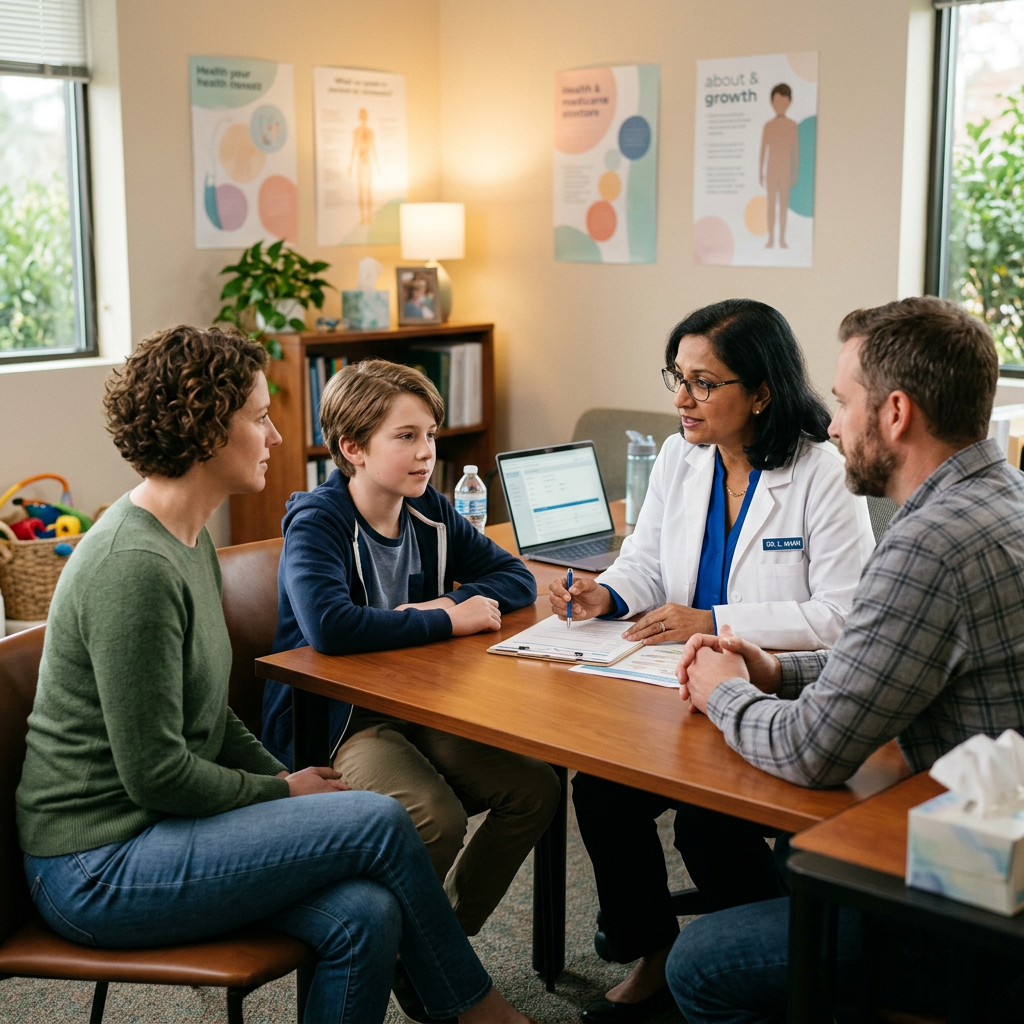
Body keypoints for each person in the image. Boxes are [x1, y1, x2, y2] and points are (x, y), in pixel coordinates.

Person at [15, 325, 530, 1024]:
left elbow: (207, 715)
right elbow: (156, 774)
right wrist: (279, 788)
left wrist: (284, 789)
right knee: (380, 821)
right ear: (204, 431)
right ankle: (477, 1010)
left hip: (161, 831)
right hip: (99, 863)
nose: (277, 437)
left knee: (368, 912)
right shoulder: (131, 567)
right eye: (259, 418)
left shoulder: (186, 541)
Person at [668, 296, 1024, 1023]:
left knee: (699, 962)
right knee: (773, 858)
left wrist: (725, 690)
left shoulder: (928, 545)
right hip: (996, 859)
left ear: (894, 413)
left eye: (842, 402)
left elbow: (812, 753)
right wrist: (773, 670)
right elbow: (891, 663)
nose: (830, 424)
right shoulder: (1003, 497)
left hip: (970, 919)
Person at [551, 298, 875, 1023]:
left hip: (777, 693)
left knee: (708, 822)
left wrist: (717, 622)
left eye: (704, 383)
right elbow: (646, 560)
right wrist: (606, 594)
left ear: (760, 392)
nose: (681, 399)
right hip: (675, 685)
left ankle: (774, 968)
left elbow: (845, 613)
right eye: (678, 376)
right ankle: (655, 950)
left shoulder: (822, 470)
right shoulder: (680, 454)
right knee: (602, 789)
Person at [261, 359, 560, 943]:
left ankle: (430, 950)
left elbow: (515, 579)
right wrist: (444, 618)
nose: (426, 452)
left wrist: (441, 606)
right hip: (341, 721)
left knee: (536, 789)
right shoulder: (317, 522)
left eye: (429, 434)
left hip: (419, 704)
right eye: (405, 437)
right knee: (434, 817)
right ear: (353, 447)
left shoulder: (431, 509)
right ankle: (422, 960)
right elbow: (330, 627)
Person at [759, 83, 799, 250]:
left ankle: (782, 238)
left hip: (785, 170)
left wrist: (795, 172)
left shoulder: (792, 126)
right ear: (771, 103)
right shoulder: (768, 126)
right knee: (771, 206)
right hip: (771, 170)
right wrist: (760, 171)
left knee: (783, 205)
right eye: (776, 102)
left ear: (789, 102)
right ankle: (771, 238)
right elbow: (763, 149)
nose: (779, 106)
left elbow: (795, 151)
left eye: (783, 102)